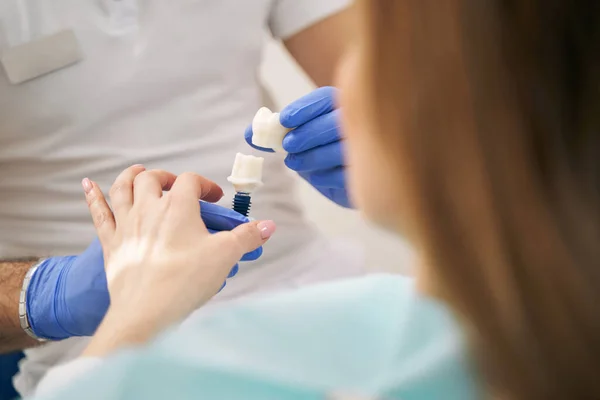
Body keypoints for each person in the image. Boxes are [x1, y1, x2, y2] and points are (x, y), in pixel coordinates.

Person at [25, 0, 600, 398]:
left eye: (366, 50)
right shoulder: (534, 336)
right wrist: (38, 295)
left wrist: (136, 312)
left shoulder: (136, 375)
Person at [0, 1, 364, 397]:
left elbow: (400, 103)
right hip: (110, 342)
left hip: (315, 288)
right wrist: (46, 294)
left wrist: (400, 160)